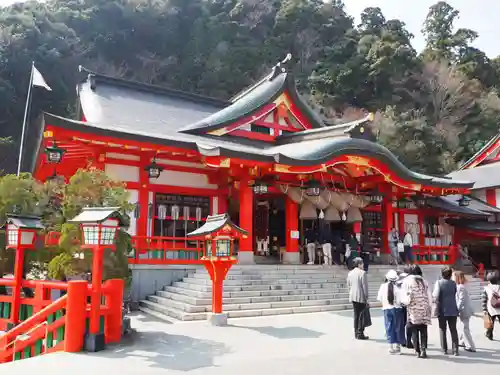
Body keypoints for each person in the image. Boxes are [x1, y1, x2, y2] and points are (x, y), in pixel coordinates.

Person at [401, 264, 432, 358]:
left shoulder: (407, 281)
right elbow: (429, 297)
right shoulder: (425, 282)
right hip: (424, 310)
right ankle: (423, 350)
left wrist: (405, 303)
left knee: (414, 330)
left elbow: (405, 298)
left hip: (413, 310)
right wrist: (429, 308)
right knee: (423, 331)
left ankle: (417, 351)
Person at [433, 266, 459, 355]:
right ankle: (456, 350)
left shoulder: (439, 283)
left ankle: (444, 349)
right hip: (453, 309)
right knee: (453, 329)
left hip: (442, 309)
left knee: (442, 329)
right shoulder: (454, 283)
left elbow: (435, 296)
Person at [377, 270, 405, 354]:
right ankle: (398, 346)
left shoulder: (382, 286)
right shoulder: (398, 288)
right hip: (397, 309)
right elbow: (401, 300)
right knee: (398, 327)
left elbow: (379, 298)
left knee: (389, 327)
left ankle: (390, 346)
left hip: (386, 309)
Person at [347, 257, 369, 340]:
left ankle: (356, 332)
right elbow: (364, 287)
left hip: (353, 296)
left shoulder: (350, 273)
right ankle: (360, 333)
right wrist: (366, 297)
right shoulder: (362, 273)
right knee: (361, 315)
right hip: (361, 296)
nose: (363, 265)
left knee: (356, 315)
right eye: (362, 263)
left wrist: (350, 293)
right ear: (359, 264)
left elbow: (348, 285)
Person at [453, 270, 476, 352]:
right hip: (466, 309)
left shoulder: (461, 287)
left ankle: (471, 346)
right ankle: (462, 341)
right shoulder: (464, 286)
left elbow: (461, 300)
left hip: (464, 310)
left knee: (465, 328)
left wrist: (457, 309)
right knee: (463, 326)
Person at [482, 270, 500, 340]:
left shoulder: (487, 288)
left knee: (489, 323)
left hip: (491, 309)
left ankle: (489, 335)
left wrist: (484, 309)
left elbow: (484, 300)